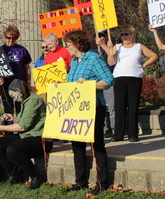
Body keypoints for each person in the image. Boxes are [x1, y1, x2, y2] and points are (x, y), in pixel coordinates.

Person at [62, 30, 114, 195]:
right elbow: (73, 84)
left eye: (68, 45)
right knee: (76, 145)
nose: (66, 48)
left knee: (96, 145)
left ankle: (102, 182)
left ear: (77, 44)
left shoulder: (93, 58)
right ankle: (80, 181)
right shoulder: (74, 62)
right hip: (76, 109)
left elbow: (108, 80)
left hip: (94, 107)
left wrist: (89, 83)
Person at [0, 79, 53, 190]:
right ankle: (14, 174)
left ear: (19, 91)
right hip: (27, 135)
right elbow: (23, 121)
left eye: (14, 96)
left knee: (12, 149)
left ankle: (35, 176)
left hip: (40, 138)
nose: (14, 99)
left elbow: (22, 126)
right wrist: (13, 118)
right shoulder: (26, 101)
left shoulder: (33, 100)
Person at [108, 25, 158, 142]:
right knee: (119, 106)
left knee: (133, 106)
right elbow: (111, 63)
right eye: (122, 35)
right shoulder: (117, 46)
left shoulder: (138, 46)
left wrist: (144, 65)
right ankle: (118, 134)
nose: (124, 37)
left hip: (135, 77)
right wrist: (111, 50)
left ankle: (132, 134)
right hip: (119, 77)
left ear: (132, 34)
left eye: (127, 34)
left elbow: (154, 55)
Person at [0, 25, 32, 116]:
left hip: (20, 82)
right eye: (8, 37)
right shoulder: (0, 50)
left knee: (20, 108)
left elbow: (27, 68)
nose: (10, 40)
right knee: (8, 109)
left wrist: (28, 82)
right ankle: (8, 129)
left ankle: (20, 127)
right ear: (5, 37)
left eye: (13, 38)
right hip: (6, 83)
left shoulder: (22, 50)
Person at [94, 32, 115, 138]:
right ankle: (106, 129)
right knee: (103, 107)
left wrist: (104, 45)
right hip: (98, 83)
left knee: (112, 108)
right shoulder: (93, 52)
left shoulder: (111, 48)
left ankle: (115, 129)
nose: (101, 39)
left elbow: (113, 60)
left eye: (103, 37)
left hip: (108, 81)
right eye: (99, 37)